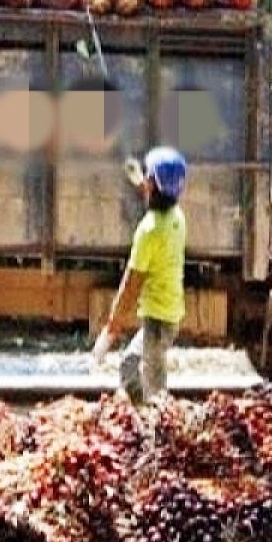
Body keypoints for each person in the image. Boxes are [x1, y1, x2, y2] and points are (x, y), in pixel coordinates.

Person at [92, 146, 188, 404]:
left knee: (151, 387)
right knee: (132, 366)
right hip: (169, 314)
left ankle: (157, 427)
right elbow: (161, 199)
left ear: (152, 186)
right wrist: (145, 183)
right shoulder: (177, 218)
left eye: (148, 177)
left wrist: (110, 330)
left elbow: (131, 287)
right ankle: (146, 416)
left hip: (158, 320)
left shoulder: (149, 231)